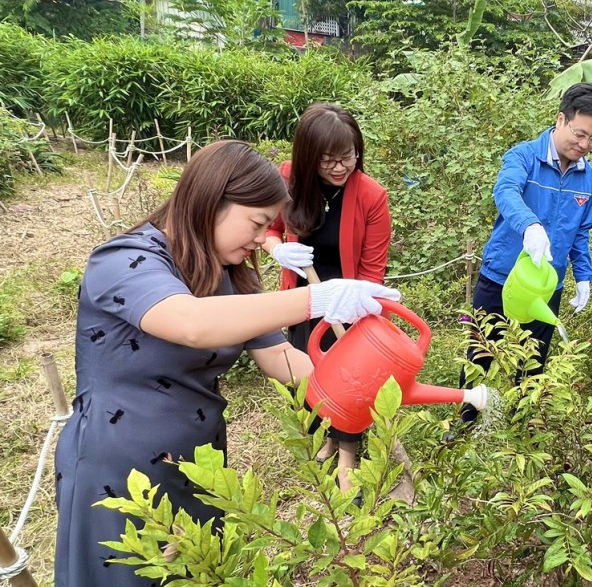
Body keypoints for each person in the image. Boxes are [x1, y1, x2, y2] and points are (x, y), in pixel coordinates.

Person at [54, 140, 399, 587]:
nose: (264, 238)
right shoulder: (126, 261)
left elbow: (279, 356)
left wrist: (362, 394)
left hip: (198, 461)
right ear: (212, 202)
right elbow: (192, 322)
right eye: (257, 223)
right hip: (120, 470)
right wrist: (319, 296)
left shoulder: (229, 272)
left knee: (200, 573)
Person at [455, 82, 592, 427]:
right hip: (502, 279)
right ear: (560, 120)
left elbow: (581, 231)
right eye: (580, 134)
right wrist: (529, 225)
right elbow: (505, 189)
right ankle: (463, 425)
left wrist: (583, 275)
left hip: (545, 289)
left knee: (532, 365)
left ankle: (519, 431)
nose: (585, 145)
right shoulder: (524, 156)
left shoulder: (587, 176)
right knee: (479, 356)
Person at [263, 104, 391, 492]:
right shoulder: (288, 178)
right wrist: (276, 249)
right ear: (307, 158)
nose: (339, 168)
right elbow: (270, 227)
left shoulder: (371, 196)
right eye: (327, 160)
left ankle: (349, 452)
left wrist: (354, 307)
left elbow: (372, 270)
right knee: (310, 373)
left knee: (351, 379)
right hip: (304, 299)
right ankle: (327, 436)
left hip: (349, 303)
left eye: (347, 157)